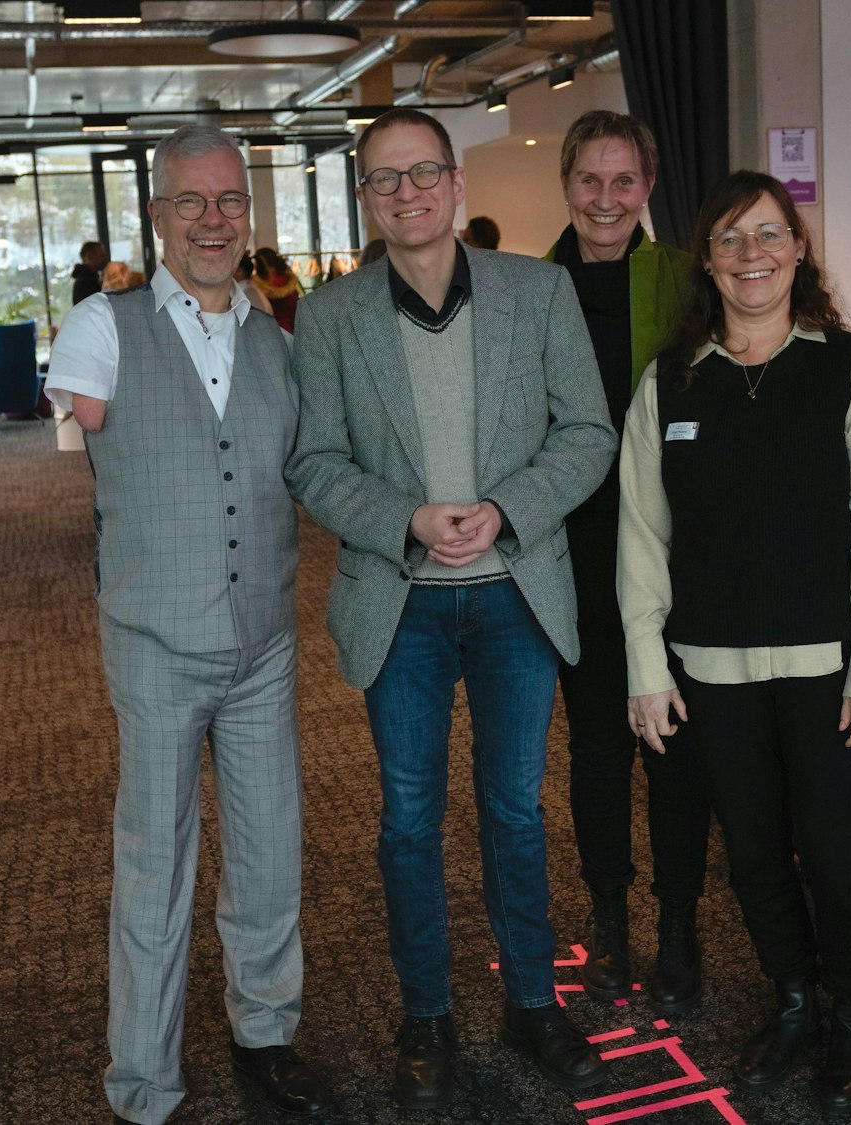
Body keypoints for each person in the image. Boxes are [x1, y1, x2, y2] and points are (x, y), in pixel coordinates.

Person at [284, 107, 618, 1110]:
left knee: (515, 810)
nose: (408, 193)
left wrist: (504, 510)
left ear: (456, 182)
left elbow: (587, 433)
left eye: (423, 172)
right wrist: (408, 519)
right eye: (385, 179)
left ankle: (530, 1002)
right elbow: (313, 461)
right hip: (401, 604)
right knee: (408, 818)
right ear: (365, 198)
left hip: (515, 592)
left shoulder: (539, 292)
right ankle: (425, 1013)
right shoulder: (331, 317)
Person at [45, 124, 331, 1125]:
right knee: (154, 866)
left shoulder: (279, 342)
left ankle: (266, 1037)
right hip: (156, 646)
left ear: (248, 213)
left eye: (230, 200)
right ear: (157, 213)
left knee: (268, 854)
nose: (213, 220)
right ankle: (143, 1080)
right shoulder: (102, 327)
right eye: (191, 201)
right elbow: (77, 422)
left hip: (263, 643)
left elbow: (313, 472)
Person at [619, 171, 851, 1117]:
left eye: (771, 234)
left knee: (839, 855)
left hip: (829, 669)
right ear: (706, 258)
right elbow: (642, 537)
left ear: (798, 249)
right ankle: (792, 999)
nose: (752, 254)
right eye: (732, 238)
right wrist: (647, 668)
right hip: (712, 669)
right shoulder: (670, 381)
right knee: (751, 855)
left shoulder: (846, 367)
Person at [542, 109, 710, 1011]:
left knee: (675, 748)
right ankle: (609, 919)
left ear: (647, 186)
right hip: (571, 552)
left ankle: (679, 925)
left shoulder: (686, 279)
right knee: (599, 748)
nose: (605, 199)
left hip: (675, 553)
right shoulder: (526, 289)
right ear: (565, 183)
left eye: (624, 181)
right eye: (589, 180)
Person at [253, 247, 302, 333]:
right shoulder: (287, 279)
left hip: (268, 330)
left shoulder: (257, 284)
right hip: (289, 328)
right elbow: (295, 306)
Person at [71, 240, 107, 305]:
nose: (105, 259)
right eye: (101, 255)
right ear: (89, 257)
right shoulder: (86, 282)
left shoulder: (90, 279)